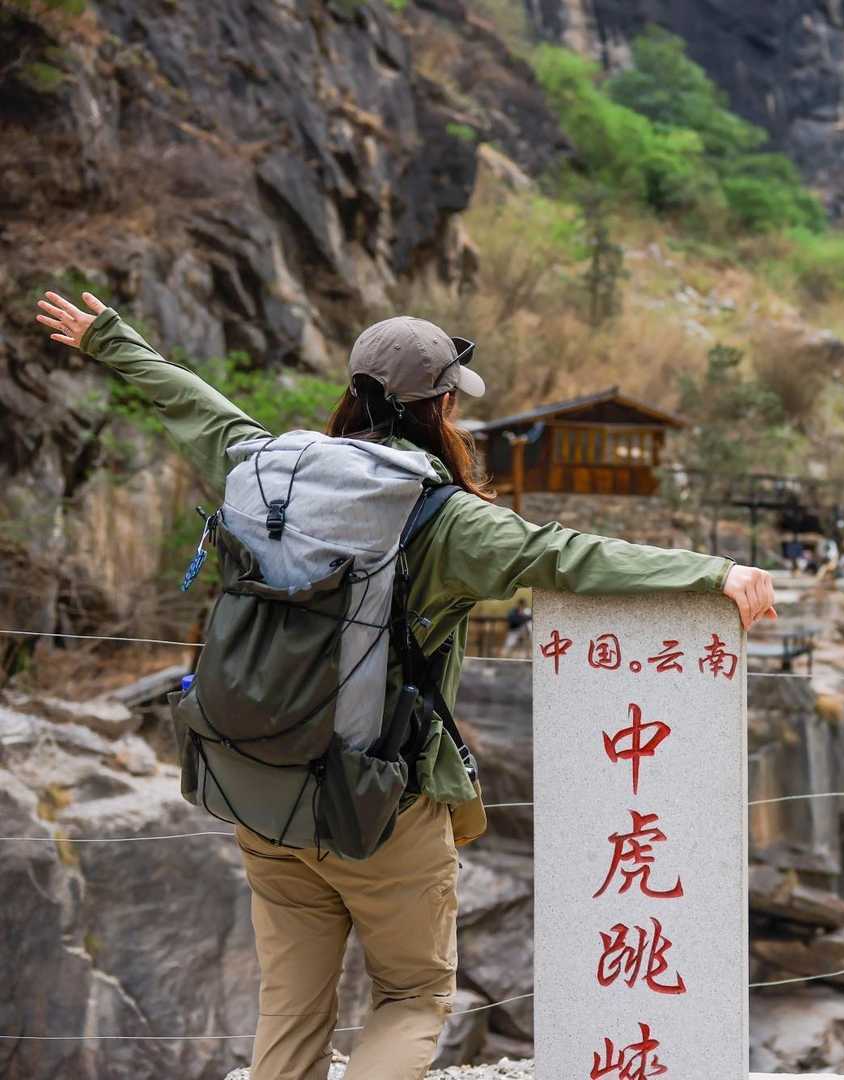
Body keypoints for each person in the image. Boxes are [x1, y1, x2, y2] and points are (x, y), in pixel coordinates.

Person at [34, 290, 777, 1080]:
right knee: (413, 996)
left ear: (352, 390)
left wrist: (109, 338)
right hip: (375, 801)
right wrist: (712, 574)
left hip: (257, 784)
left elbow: (196, 407)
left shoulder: (267, 468)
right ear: (442, 405)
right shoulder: (441, 518)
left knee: (290, 1008)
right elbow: (564, 555)